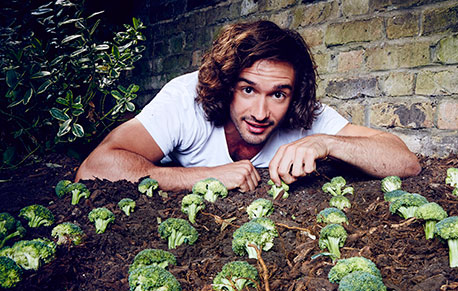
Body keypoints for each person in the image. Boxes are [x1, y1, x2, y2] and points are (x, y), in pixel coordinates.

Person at [75, 20, 421, 192]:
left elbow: (404, 161)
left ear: (293, 94)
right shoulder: (185, 100)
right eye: (248, 89)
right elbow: (94, 167)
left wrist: (325, 142)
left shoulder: (305, 116)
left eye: (278, 95)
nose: (260, 112)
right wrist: (208, 176)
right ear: (226, 85)